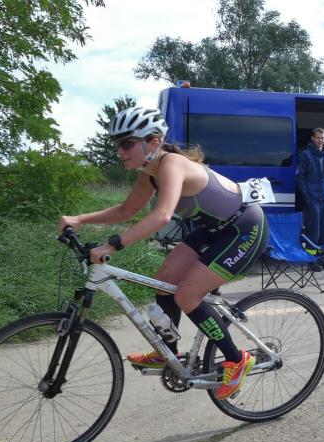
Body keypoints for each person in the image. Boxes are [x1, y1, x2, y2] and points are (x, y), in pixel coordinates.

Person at [58, 106, 268, 400]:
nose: (120, 151)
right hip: (214, 228)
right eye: (117, 144)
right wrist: (81, 219)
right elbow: (127, 209)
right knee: (164, 281)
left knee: (187, 295)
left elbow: (162, 216)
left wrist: (112, 246)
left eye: (127, 143)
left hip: (243, 229)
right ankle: (168, 353)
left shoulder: (172, 164)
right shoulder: (149, 172)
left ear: (153, 142)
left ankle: (237, 359)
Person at [296, 127, 324, 270]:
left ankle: (322, 259)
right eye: (317, 137)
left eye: (322, 138)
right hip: (313, 199)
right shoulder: (305, 155)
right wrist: (307, 198)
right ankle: (311, 260)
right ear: (312, 138)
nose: (320, 140)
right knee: (313, 232)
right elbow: (300, 178)